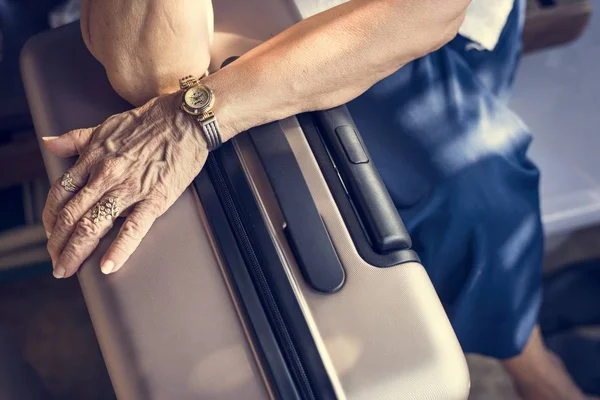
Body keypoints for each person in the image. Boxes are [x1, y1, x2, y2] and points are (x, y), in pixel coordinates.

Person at [39, 0, 586, 398]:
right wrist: (194, 109)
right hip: (251, 17)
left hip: (413, 15)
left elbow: (430, 11)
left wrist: (193, 119)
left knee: (479, 196)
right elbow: (152, 69)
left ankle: (530, 365)